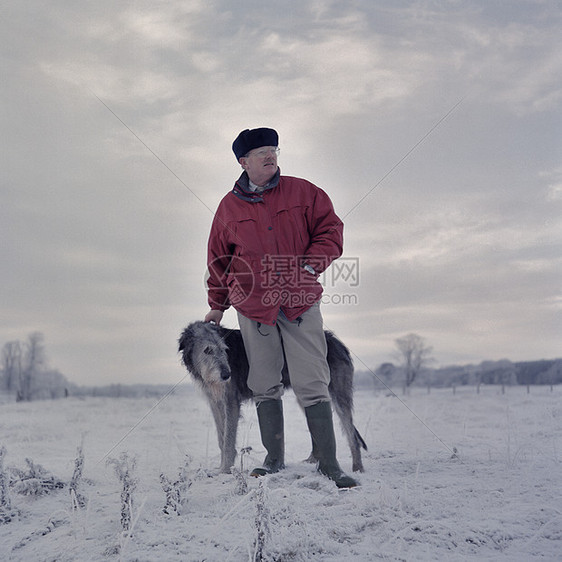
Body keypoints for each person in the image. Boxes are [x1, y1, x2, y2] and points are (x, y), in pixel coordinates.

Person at [204, 127, 357, 488]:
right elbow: (218, 258)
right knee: (263, 382)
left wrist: (309, 266)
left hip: (298, 300)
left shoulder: (305, 192)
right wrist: (217, 304)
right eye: (261, 153)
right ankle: (273, 460)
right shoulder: (228, 207)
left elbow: (331, 231)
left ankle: (330, 464)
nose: (270, 156)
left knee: (312, 378)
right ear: (243, 162)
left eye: (273, 150)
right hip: (252, 306)